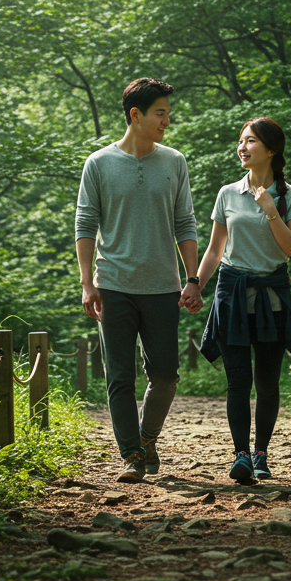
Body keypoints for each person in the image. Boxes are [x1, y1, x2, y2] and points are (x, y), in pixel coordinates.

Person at [75, 78, 203, 483]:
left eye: (167, 112)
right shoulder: (98, 163)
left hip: (164, 285)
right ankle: (130, 454)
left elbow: (185, 222)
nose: (167, 120)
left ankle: (148, 438)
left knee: (165, 375)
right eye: (160, 113)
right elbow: (85, 223)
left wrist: (193, 278)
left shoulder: (174, 161)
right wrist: (86, 282)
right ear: (136, 115)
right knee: (119, 376)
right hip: (112, 283)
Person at [194, 117, 291, 482]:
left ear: (272, 150)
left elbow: (289, 248)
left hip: (272, 300)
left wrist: (269, 208)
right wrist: (194, 283)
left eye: (250, 142)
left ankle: (262, 455)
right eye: (241, 141)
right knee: (237, 382)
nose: (242, 148)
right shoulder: (228, 193)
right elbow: (214, 250)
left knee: (268, 382)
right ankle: (240, 455)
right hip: (232, 298)